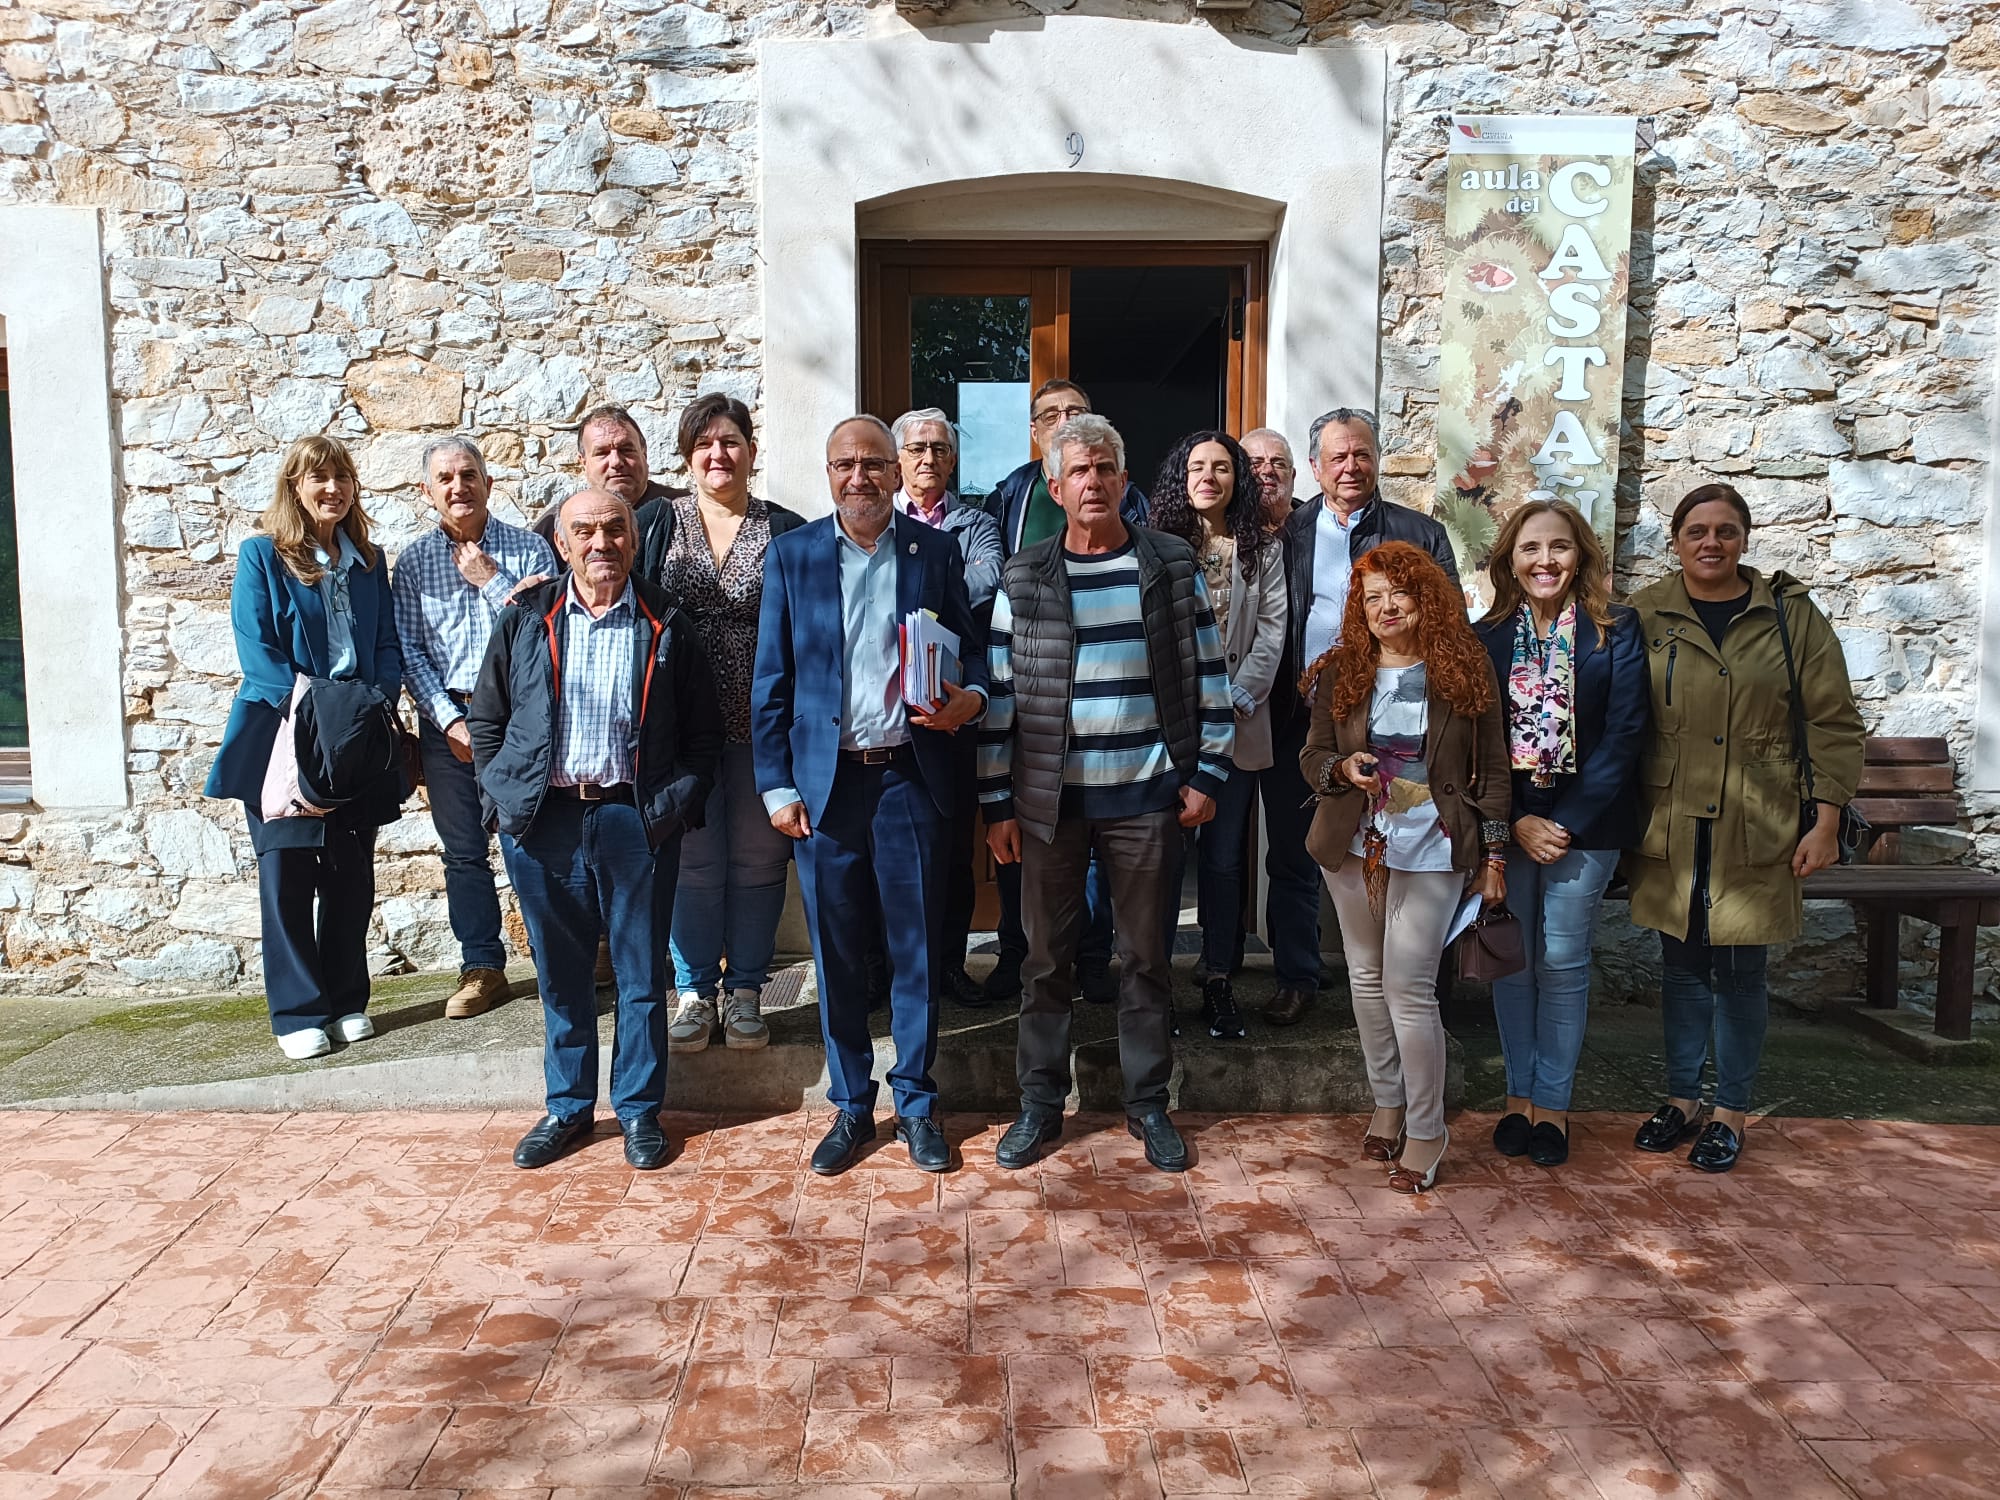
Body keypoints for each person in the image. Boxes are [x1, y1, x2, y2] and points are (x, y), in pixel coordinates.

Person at [980, 414, 1235, 1174]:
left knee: (1144, 958)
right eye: (1079, 472)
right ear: (1055, 488)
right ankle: (1037, 1105)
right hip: (1051, 807)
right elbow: (999, 697)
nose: (1094, 483)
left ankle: (1148, 1104)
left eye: (1106, 470)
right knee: (1044, 961)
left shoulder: (1167, 562)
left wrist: (1207, 774)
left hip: (1147, 799)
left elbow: (1209, 671)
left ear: (1125, 483)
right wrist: (997, 804)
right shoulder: (1024, 576)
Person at [752, 415, 987, 1175]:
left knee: (916, 949)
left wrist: (970, 699)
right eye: (844, 465)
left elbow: (973, 651)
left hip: (908, 779)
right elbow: (771, 682)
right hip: (825, 787)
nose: (859, 477)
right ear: (829, 474)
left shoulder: (935, 551)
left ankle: (916, 1102)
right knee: (838, 952)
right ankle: (852, 1106)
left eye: (873, 464)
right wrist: (777, 784)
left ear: (896, 473)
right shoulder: (792, 556)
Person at [469, 488, 722, 1171]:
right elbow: (487, 718)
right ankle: (568, 1108)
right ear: (562, 542)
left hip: (633, 819)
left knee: (641, 975)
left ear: (634, 540)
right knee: (562, 974)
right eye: (585, 531)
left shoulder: (667, 620)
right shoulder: (527, 617)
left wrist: (672, 806)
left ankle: (639, 1111)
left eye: (615, 529)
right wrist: (502, 799)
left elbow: (705, 735)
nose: (602, 542)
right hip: (543, 820)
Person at [1626, 483, 1862, 1174]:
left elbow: (1834, 721)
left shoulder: (1790, 615)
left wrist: (1825, 821)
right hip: (1671, 820)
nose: (1711, 542)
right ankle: (1681, 1097)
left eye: (1726, 531)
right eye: (1697, 530)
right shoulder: (1647, 614)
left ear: (1746, 540)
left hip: (1757, 820)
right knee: (1681, 965)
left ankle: (1729, 1108)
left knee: (1741, 968)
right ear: (1675, 540)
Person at [1300, 541, 1507, 1194]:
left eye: (1399, 593)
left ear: (1426, 597)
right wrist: (1341, 768)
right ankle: (1386, 1101)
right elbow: (1313, 754)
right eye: (1373, 598)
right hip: (1355, 842)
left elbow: (1494, 769)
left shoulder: (1461, 667)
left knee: (1408, 987)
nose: (1387, 607)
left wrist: (1494, 854)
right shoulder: (1342, 670)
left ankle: (1427, 1128)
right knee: (1364, 976)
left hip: (1435, 845)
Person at [204, 435, 404, 1061]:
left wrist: (375, 703)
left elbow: (388, 645)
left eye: (342, 477)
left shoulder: (369, 562)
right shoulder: (263, 555)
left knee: (351, 876)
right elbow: (257, 651)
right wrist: (313, 709)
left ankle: (347, 1001)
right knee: (288, 875)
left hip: (357, 733)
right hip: (286, 734)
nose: (333, 488)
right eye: (318, 477)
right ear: (294, 486)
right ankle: (297, 1011)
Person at [1264, 409, 1462, 1027]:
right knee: (1304, 851)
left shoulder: (1418, 534)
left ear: (1377, 460)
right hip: (1303, 714)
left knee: (1411, 848)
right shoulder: (1288, 533)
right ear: (1316, 468)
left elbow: (1449, 627)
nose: (1351, 467)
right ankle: (1300, 975)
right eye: (1338, 457)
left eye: (1362, 455)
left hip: (1396, 721)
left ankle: (1417, 985)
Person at [1472, 500, 1648, 1167]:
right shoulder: (1485, 635)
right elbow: (1477, 741)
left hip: (1588, 824)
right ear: (1510, 561)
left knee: (1564, 961)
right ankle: (1518, 1097)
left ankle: (1554, 1105)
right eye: (1531, 549)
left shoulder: (1618, 631)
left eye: (1559, 547)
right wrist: (1515, 819)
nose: (1545, 561)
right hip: (1509, 820)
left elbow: (1627, 734)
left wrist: (1563, 823)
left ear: (1581, 556)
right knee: (1514, 958)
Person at [977, 380, 1139, 1007]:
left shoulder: (1125, 499)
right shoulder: (1012, 493)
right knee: (1031, 864)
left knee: (1099, 872)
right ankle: (1017, 955)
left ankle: (1095, 959)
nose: (1064, 420)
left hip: (1120, 743)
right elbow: (997, 590)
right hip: (1035, 714)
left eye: (1076, 412)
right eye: (1051, 415)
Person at [656, 393, 808, 1055]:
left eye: (731, 441)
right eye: (705, 443)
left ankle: (746, 992)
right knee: (691, 862)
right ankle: (694, 992)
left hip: (761, 724)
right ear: (688, 456)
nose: (718, 454)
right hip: (680, 727)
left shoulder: (788, 528)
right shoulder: (659, 524)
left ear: (750, 449)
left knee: (755, 862)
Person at [392, 436, 557, 1020]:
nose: (458, 487)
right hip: (448, 723)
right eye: (445, 479)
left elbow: (541, 635)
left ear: (488, 483)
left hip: (515, 721)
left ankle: (554, 958)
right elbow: (410, 651)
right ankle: (483, 967)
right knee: (463, 853)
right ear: (428, 492)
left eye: (469, 475)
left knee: (526, 841)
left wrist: (490, 579)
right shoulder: (413, 563)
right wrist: (447, 718)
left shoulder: (530, 550)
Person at [1147, 430, 1287, 1038]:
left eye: (1223, 468)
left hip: (1236, 722)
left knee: (1225, 861)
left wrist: (1239, 695)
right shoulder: (1154, 547)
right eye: (1197, 467)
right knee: (1160, 860)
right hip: (1167, 730)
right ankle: (1156, 987)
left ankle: (1218, 977)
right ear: (1181, 477)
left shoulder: (1262, 551)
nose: (1209, 477)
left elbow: (1272, 630)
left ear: (1238, 480)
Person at [891, 407, 1005, 1006]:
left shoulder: (977, 524)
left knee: (953, 847)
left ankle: (950, 965)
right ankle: (887, 970)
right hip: (884, 716)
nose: (927, 458)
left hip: (952, 705)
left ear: (953, 458)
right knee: (883, 854)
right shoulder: (874, 521)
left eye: (938, 448)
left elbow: (986, 583)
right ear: (898, 458)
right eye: (916, 449)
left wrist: (914, 582)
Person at [531, 403, 686, 558]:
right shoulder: (557, 525)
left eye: (626, 450)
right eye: (602, 453)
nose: (616, 461)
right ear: (583, 462)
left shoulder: (687, 510)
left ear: (644, 454)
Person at [1240, 427, 1301, 530]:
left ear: (1292, 476)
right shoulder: (1224, 529)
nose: (1268, 470)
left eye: (1278, 464)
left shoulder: (1315, 525)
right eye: (1255, 463)